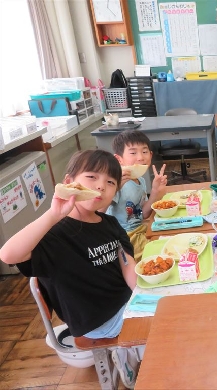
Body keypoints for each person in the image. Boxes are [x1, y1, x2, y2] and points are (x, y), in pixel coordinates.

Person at [0, 149, 141, 388]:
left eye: (110, 182)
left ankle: (130, 354)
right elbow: (8, 255)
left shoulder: (110, 223)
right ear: (69, 183)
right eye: (91, 177)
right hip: (97, 320)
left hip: (125, 304)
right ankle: (134, 359)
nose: (100, 187)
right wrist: (54, 214)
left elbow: (126, 264)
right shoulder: (56, 233)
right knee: (161, 331)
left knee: (168, 307)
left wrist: (143, 294)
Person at [106, 130, 168, 263]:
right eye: (133, 153)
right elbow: (98, 213)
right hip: (124, 237)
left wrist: (155, 192)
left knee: (170, 236)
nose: (140, 157)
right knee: (162, 255)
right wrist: (114, 188)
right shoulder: (115, 182)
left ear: (151, 155)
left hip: (140, 228)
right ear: (119, 159)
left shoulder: (141, 180)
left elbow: (143, 214)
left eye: (144, 152)